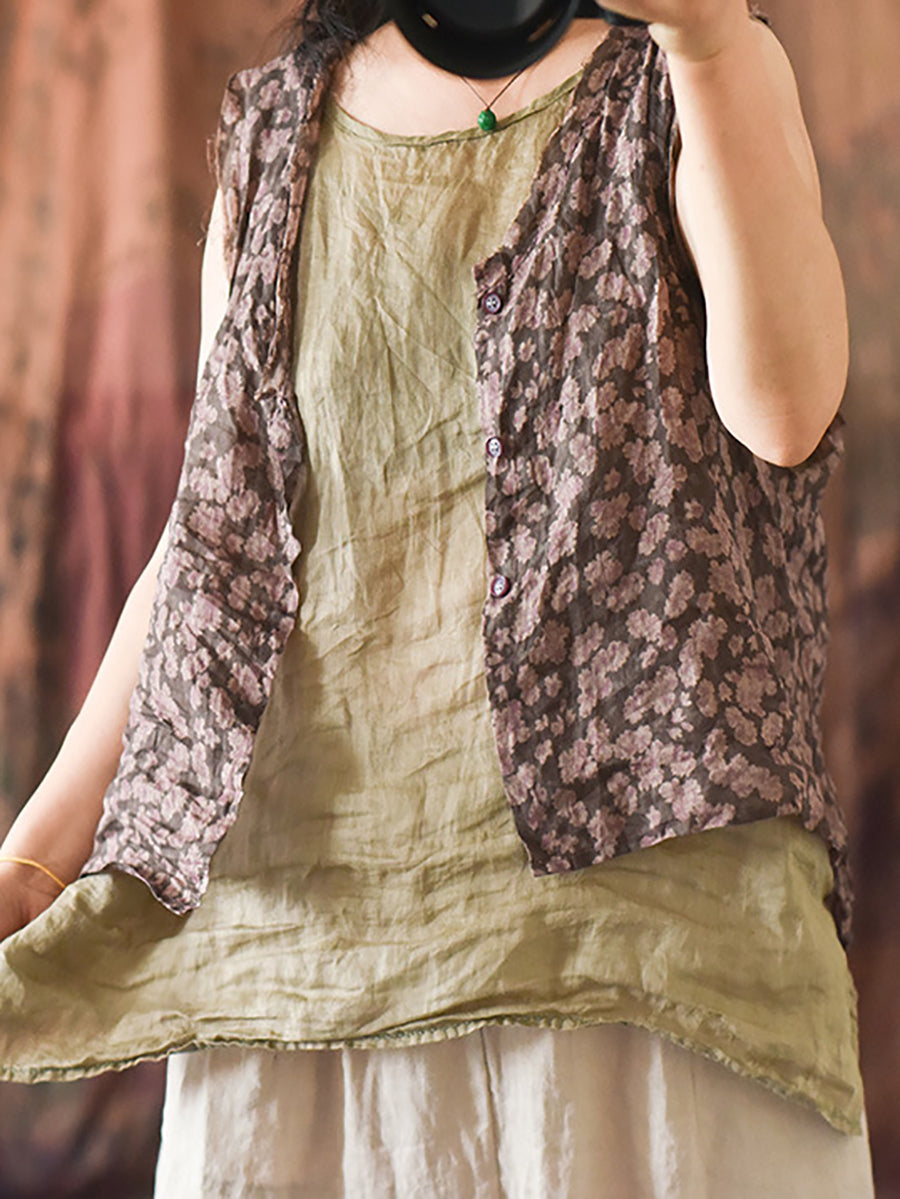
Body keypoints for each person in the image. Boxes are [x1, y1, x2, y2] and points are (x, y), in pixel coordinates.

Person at [0, 1, 878, 1194]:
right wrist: (37, 860)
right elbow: (210, 549)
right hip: (306, 979)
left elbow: (785, 411)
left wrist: (710, 41)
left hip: (643, 969)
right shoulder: (276, 133)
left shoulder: (698, 68)